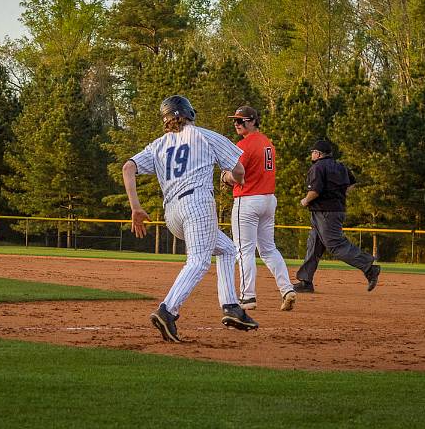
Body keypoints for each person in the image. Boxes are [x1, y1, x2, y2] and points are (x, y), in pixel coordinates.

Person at [122, 95, 259, 343]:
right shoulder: (205, 135)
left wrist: (136, 207)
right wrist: (234, 177)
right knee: (198, 261)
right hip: (197, 204)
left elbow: (128, 167)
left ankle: (231, 307)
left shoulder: (159, 145)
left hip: (172, 213)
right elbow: (239, 171)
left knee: (228, 249)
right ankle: (167, 310)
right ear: (189, 113)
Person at [222, 106, 296, 311]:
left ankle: (247, 297)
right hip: (268, 199)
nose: (237, 124)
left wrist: (224, 177)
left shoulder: (244, 145)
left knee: (244, 250)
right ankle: (287, 289)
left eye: (241, 120)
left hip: (248, 200)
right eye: (235, 121)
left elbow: (237, 175)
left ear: (253, 121)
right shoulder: (267, 143)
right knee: (268, 249)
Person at [293, 140, 381, 293]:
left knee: (335, 245)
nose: (311, 154)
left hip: (325, 212)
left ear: (319, 154)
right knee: (314, 244)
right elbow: (352, 183)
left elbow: (315, 191)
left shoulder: (317, 167)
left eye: (313, 152)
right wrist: (341, 194)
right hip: (334, 210)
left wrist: (305, 201)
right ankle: (305, 281)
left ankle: (369, 266)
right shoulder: (340, 166)